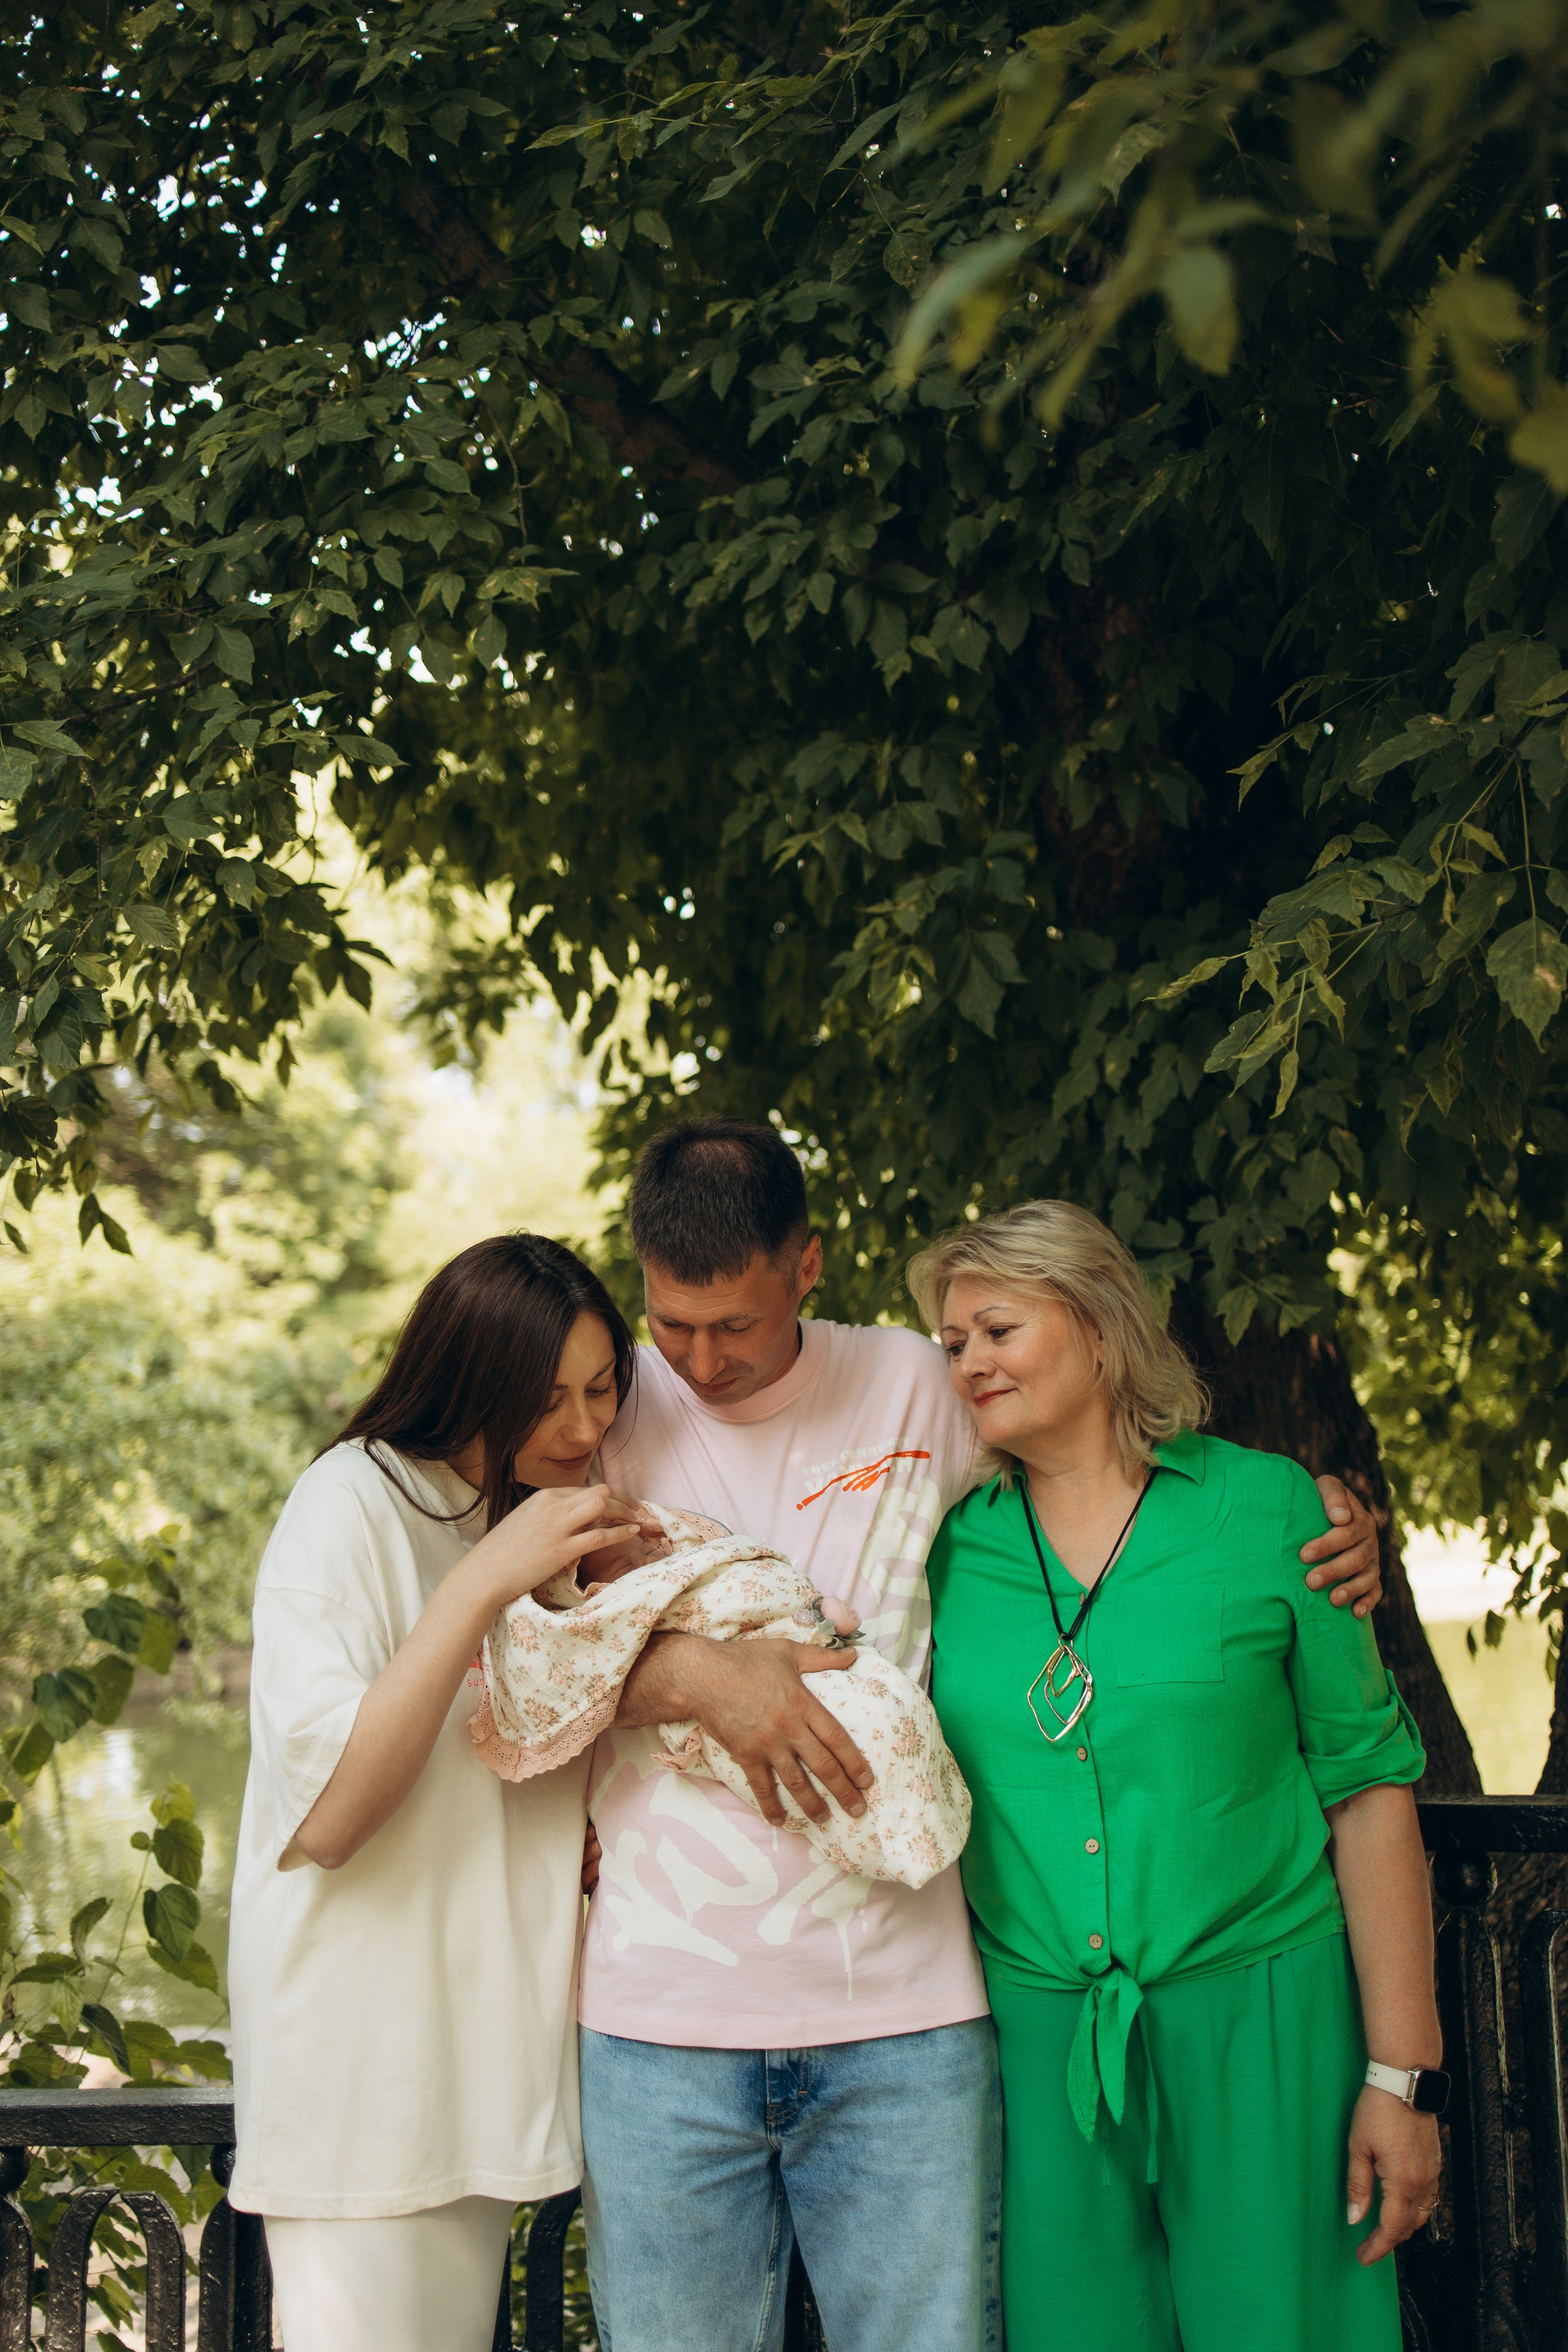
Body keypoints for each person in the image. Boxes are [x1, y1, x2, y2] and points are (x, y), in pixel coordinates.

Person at [575, 1120, 1385, 2352]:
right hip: (667, 2022)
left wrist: (1328, 1519)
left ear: (805, 1268)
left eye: (731, 1326)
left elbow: (1117, 1468)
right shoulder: (602, 1409)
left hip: (911, 2021)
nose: (697, 1360)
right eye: (671, 1323)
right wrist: (686, 1675)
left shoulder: (918, 1386)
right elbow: (503, 1656)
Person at [917, 1199, 1442, 2352]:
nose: (968, 1363)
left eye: (997, 1329)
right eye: (953, 1345)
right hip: (1044, 2052)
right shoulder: (942, 1548)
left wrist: (1400, 2079)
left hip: (1268, 2026)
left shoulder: (1272, 1511)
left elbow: (1365, 1790)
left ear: (1100, 1325)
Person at [227, 1235, 658, 2352]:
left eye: (602, 1387)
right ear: (469, 1380)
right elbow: (326, 1819)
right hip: (364, 2080)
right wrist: (485, 1581)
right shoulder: (350, 1504)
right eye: (546, 1397)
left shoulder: (515, 1513)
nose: (583, 1428)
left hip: (477, 2071)